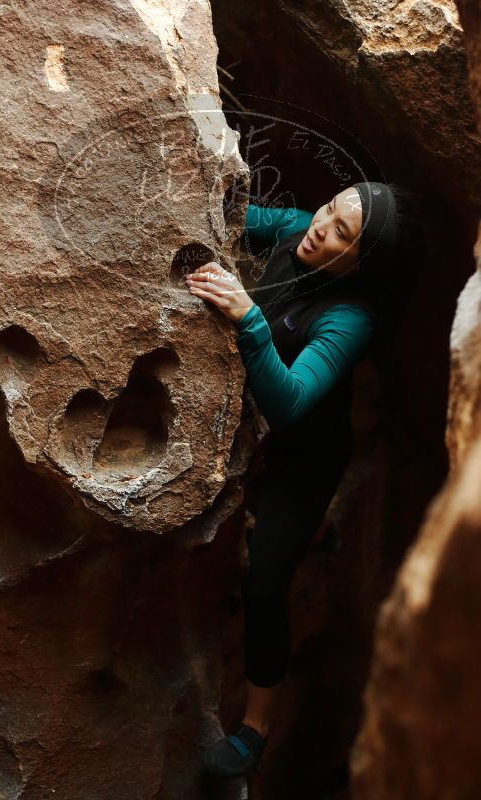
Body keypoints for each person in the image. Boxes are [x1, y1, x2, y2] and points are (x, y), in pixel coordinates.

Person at [185, 181, 426, 779]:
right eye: (329, 209)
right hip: (250, 433)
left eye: (343, 233)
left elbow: (291, 401)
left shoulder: (351, 318)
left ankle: (257, 726)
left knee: (266, 578)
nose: (321, 227)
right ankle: (309, 532)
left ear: (363, 263)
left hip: (308, 450)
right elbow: (235, 211)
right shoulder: (298, 225)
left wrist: (249, 318)